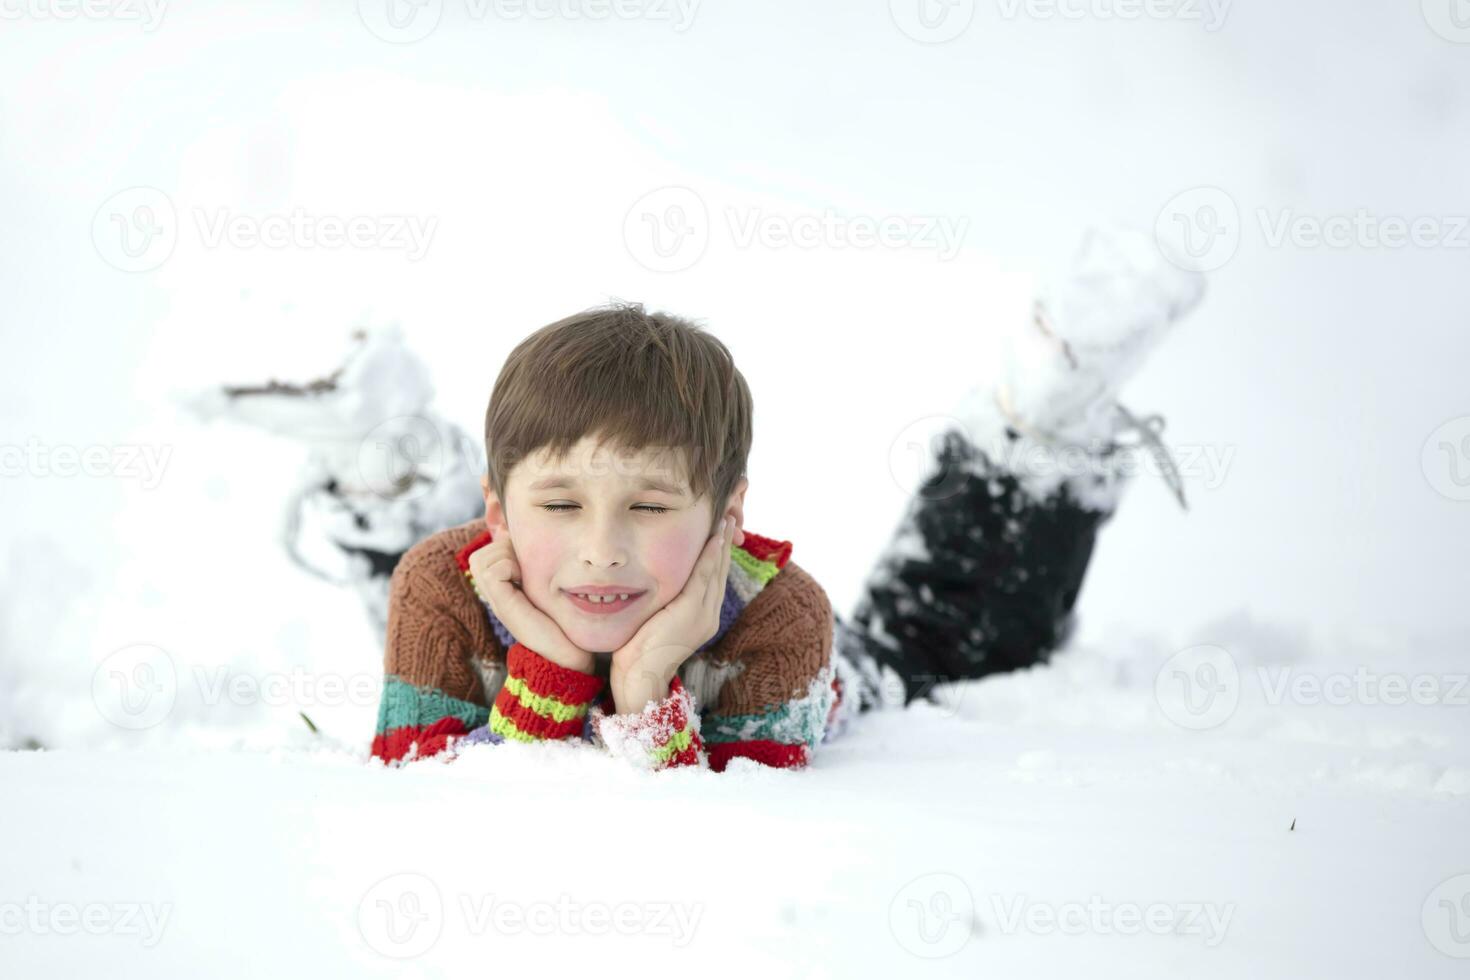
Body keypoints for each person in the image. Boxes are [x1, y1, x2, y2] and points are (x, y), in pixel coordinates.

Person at [369, 228, 1205, 772]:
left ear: (727, 518)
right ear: (496, 512)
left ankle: (1032, 427)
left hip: (848, 672)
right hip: (497, 574)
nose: (602, 547)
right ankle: (381, 461)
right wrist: (554, 671)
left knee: (941, 637)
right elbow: (421, 798)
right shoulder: (440, 588)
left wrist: (648, 679)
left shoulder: (783, 623)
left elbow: (718, 831)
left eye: (651, 507)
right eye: (558, 505)